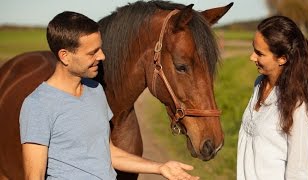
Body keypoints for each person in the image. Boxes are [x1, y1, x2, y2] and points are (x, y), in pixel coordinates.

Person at [19, 11, 199, 180]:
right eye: (92, 52)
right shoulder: (38, 105)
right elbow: (34, 176)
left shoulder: (95, 90)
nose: (102, 56)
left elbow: (107, 152)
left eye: (100, 48)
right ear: (65, 56)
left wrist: (160, 168)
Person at [237, 15, 308, 180]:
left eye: (259, 53)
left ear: (282, 58)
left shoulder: (299, 105)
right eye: (254, 49)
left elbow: (299, 173)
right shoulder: (259, 84)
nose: (252, 57)